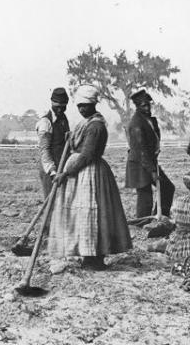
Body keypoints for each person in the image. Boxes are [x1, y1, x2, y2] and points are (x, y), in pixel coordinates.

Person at [47, 85, 132, 270]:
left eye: (85, 106)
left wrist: (66, 173)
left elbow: (86, 156)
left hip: (90, 173)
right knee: (82, 215)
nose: (82, 109)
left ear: (93, 105)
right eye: (79, 106)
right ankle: (87, 255)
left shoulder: (96, 126)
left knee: (93, 214)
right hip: (81, 173)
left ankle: (95, 258)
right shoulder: (87, 123)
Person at [125, 89, 175, 219]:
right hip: (139, 163)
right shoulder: (136, 123)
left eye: (148, 104)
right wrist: (152, 171)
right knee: (145, 195)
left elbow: (154, 141)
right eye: (143, 106)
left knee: (167, 187)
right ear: (137, 106)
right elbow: (141, 150)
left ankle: (161, 217)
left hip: (149, 161)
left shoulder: (150, 120)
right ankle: (142, 221)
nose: (147, 108)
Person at [35, 87, 70, 198]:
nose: (60, 110)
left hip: (62, 168)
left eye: (63, 107)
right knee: (51, 202)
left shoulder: (64, 119)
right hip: (50, 170)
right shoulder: (45, 123)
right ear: (52, 103)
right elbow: (44, 150)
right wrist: (53, 172)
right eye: (57, 107)